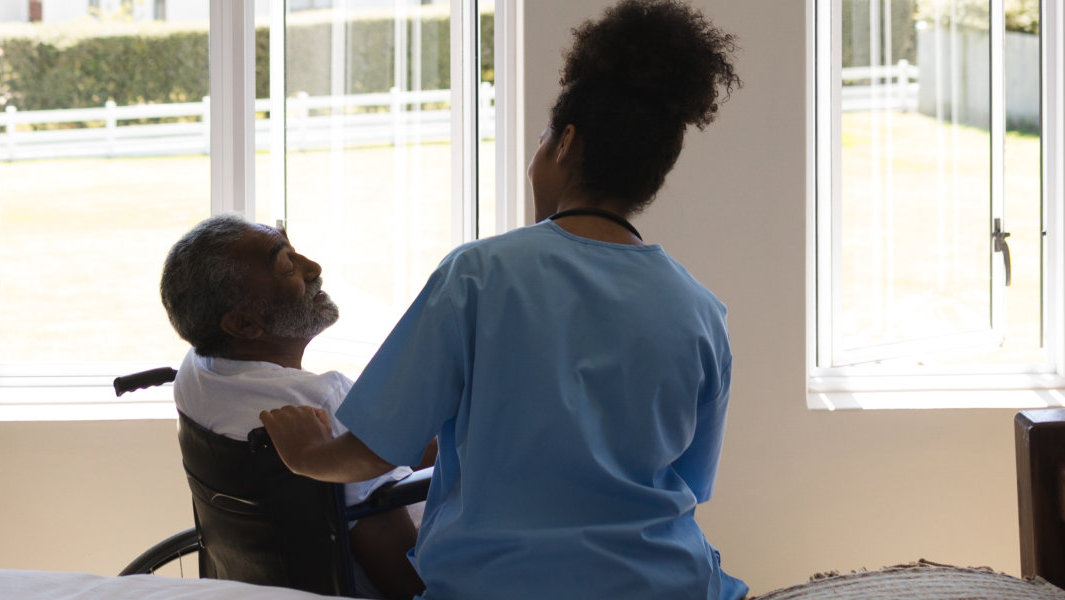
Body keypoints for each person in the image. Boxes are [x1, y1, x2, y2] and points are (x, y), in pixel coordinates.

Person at [256, 1, 745, 598]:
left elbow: (370, 453)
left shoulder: (478, 275)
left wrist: (308, 455)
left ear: (565, 144)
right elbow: (690, 481)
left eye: (541, 141)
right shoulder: (700, 310)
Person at [158, 214, 425, 598]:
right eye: (287, 266)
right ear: (244, 325)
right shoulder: (319, 405)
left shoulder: (196, 376)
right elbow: (403, 579)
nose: (314, 268)